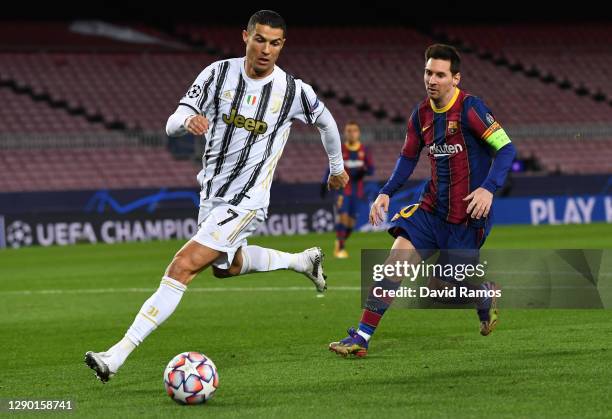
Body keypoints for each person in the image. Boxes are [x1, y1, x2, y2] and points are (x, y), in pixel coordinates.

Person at [85, 10, 349, 382]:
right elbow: (173, 121)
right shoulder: (217, 74)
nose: (266, 49)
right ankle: (302, 262)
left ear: (282, 45)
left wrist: (336, 168)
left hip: (249, 201)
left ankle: (116, 355)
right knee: (227, 267)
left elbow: (326, 122)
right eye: (260, 39)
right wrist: (187, 122)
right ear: (245, 37)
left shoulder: (292, 90)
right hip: (212, 197)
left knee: (182, 266)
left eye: (275, 43)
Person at [329, 44, 516, 357]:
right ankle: (361, 336)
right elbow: (407, 158)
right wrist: (386, 191)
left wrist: (488, 188)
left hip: (467, 218)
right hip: (430, 209)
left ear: (455, 79)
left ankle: (483, 295)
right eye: (429, 72)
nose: (432, 79)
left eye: (441, 74)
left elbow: (506, 149)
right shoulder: (421, 115)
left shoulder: (471, 108)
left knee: (443, 290)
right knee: (393, 265)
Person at [321, 121, 374, 258]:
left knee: (351, 223)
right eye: (349, 131)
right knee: (343, 217)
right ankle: (340, 248)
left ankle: (340, 242)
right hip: (342, 190)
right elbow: (330, 168)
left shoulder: (364, 150)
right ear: (345, 133)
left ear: (358, 133)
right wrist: (323, 184)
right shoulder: (340, 149)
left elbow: (372, 169)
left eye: (354, 130)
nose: (351, 133)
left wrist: (364, 172)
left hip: (358, 191)